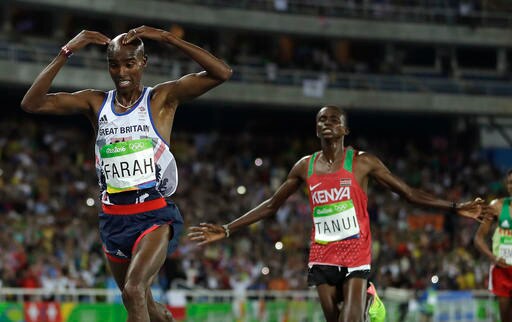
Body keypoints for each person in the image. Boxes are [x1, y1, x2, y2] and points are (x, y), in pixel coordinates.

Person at [189, 105, 485, 322]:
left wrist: (455, 207)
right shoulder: (305, 166)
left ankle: (366, 298)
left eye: (333, 119)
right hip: (323, 255)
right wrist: (227, 228)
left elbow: (408, 193)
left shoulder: (362, 162)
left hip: (356, 252)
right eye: (321, 119)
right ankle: (368, 300)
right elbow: (270, 205)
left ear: (345, 129)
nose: (326, 122)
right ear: (316, 128)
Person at [21, 26, 232, 322]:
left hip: (154, 216)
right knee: (145, 304)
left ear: (143, 63)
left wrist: (169, 39)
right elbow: (31, 103)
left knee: (133, 291)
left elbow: (222, 73)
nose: (122, 71)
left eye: (129, 63)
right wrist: (66, 51)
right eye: (114, 64)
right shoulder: (96, 103)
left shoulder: (161, 99)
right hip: (113, 218)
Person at [474, 169, 512, 321]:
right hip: (501, 269)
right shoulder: (497, 206)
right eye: (510, 182)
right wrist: (493, 258)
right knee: (505, 317)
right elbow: (478, 239)